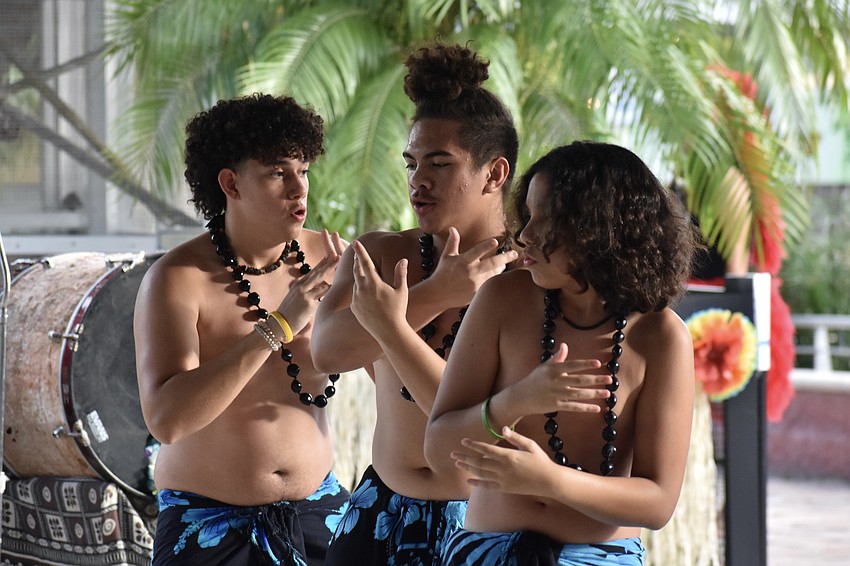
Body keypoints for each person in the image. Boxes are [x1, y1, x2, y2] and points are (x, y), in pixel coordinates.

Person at [424, 141, 700, 565]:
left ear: (599, 229)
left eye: (545, 221)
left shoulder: (661, 337)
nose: (525, 235)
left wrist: (550, 480)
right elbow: (439, 448)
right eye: (527, 216)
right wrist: (516, 401)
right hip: (487, 552)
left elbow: (658, 502)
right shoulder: (502, 299)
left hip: (602, 556)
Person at [311, 42, 519, 565]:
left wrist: (392, 322)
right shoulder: (382, 252)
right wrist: (437, 295)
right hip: (380, 510)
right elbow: (326, 350)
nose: (417, 182)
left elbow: (490, 424)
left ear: (494, 174)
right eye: (411, 163)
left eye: (439, 163)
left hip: (484, 523)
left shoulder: (533, 277)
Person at [133, 93, 349, 565]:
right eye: (277, 173)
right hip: (206, 525)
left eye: (304, 170)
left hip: (320, 516)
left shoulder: (334, 260)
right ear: (230, 183)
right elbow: (167, 420)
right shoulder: (176, 278)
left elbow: (391, 371)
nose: (299, 189)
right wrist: (278, 327)